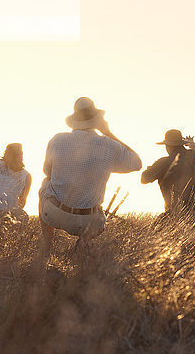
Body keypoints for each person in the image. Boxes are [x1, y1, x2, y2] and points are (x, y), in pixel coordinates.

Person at [39, 97, 142, 260]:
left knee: (45, 185)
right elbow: (137, 163)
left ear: (75, 119)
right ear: (96, 121)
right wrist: (107, 132)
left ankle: (46, 248)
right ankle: (83, 243)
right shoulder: (108, 145)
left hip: (56, 215)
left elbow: (47, 172)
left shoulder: (57, 139)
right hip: (90, 223)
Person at [141, 129, 195, 222]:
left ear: (167, 146)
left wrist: (153, 167)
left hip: (179, 215)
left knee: (153, 232)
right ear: (181, 144)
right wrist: (191, 142)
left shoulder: (164, 163)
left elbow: (144, 178)